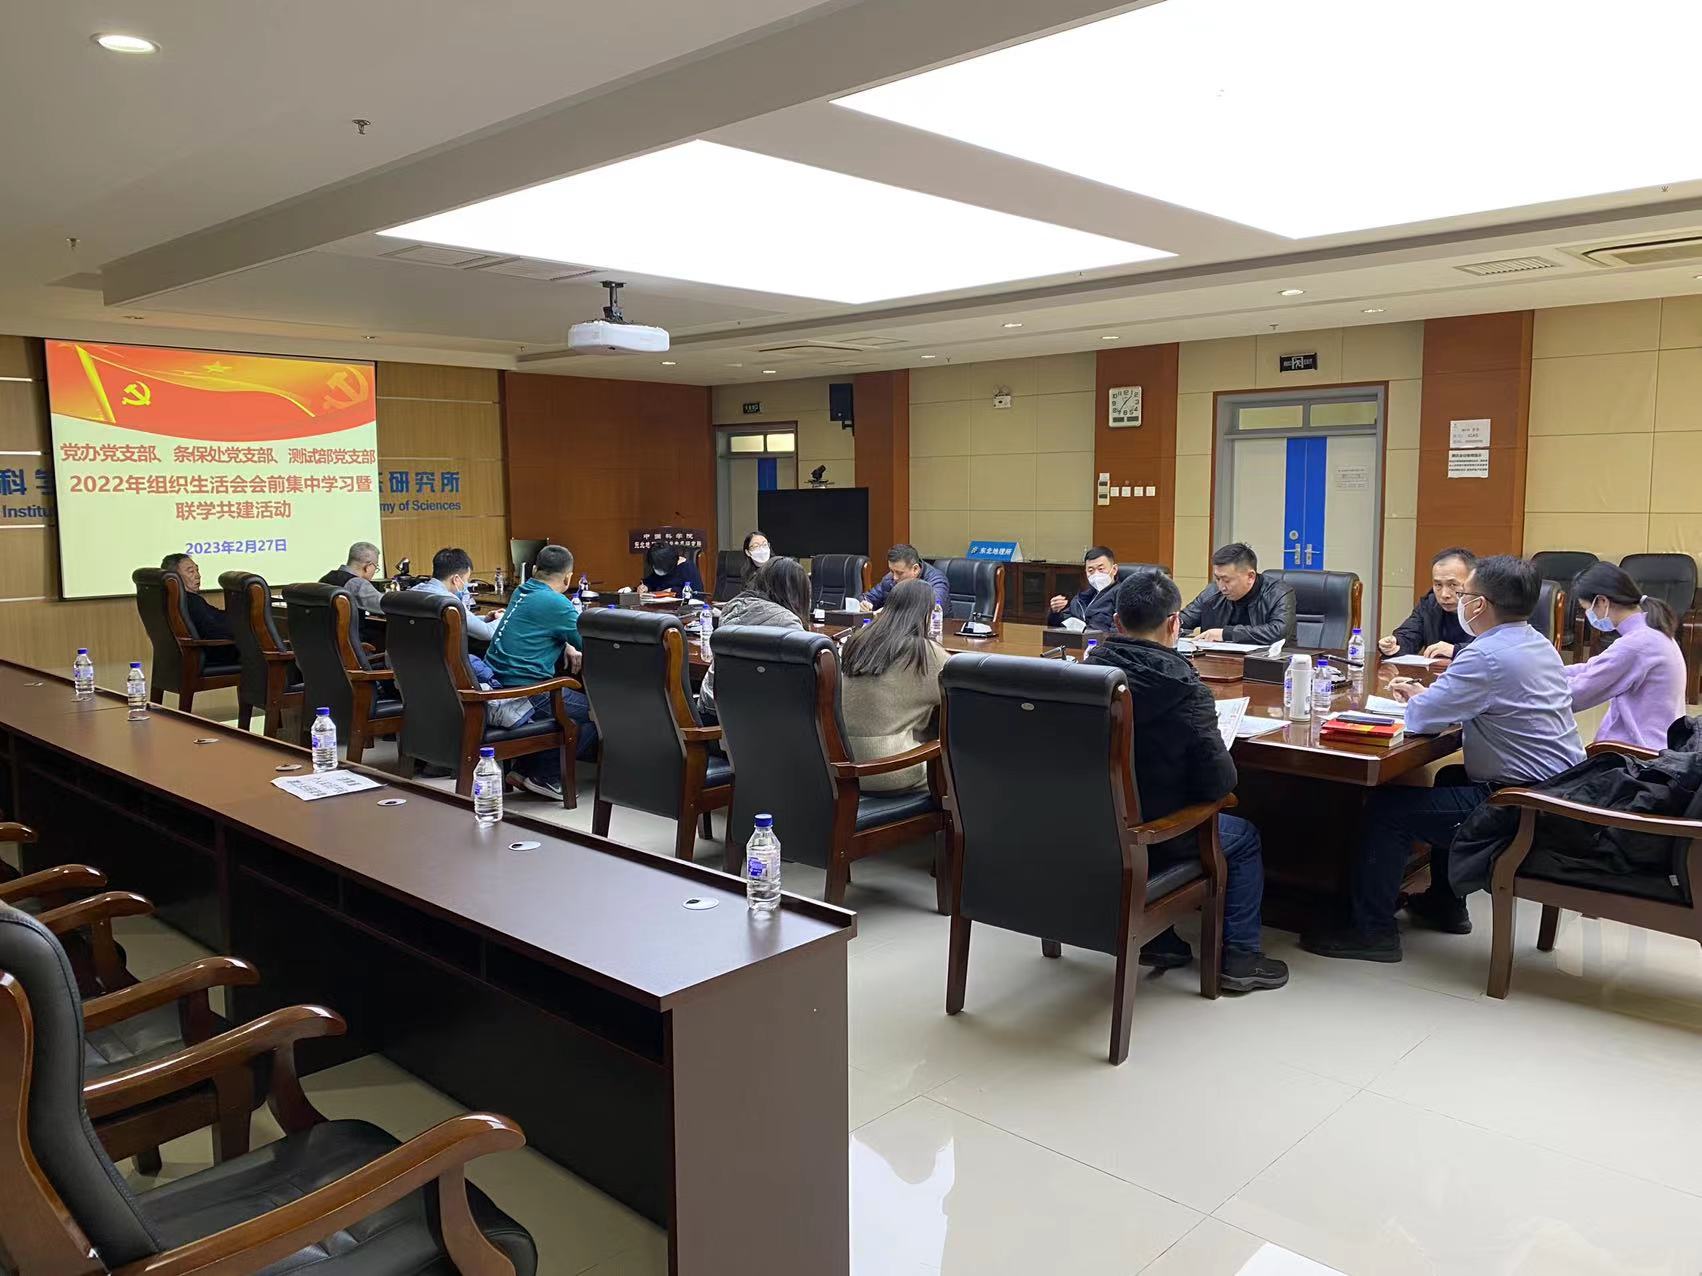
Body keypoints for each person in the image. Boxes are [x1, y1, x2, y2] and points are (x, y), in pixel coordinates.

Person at [1302, 555, 1586, 962]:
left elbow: (1423, 719)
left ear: (1480, 605)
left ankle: (1372, 932)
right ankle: (1445, 903)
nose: (1457, 599)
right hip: (1559, 790)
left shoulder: (1484, 655)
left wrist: (1419, 698)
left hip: (1522, 803)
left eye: (1464, 592)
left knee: (1385, 811)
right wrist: (1431, 697)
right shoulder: (1538, 643)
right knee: (1452, 777)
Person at [1086, 567, 1289, 992]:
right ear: (1175, 623)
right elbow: (1220, 783)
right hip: (1151, 833)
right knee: (1243, 837)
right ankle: (1240, 957)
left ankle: (1161, 940)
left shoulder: (1086, 675)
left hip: (1091, 825)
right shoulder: (1186, 689)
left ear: (1117, 622)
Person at [485, 545, 598, 799]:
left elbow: (543, 627)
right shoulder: (556, 603)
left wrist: (566, 644)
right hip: (526, 692)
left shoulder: (523, 591)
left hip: (497, 685)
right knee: (599, 715)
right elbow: (589, 644)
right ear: (568, 577)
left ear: (535, 570)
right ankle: (544, 776)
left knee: (578, 709)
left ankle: (523, 770)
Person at [839, 578, 950, 793]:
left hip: (846, 766)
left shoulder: (857, 640)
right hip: (889, 771)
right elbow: (958, 695)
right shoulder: (922, 654)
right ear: (926, 615)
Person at [1563, 561, 1686, 752]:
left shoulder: (1636, 645)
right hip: (1659, 746)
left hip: (1639, 755)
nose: (1588, 615)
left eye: (1586, 608)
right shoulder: (1651, 631)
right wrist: (1548, 672)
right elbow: (1593, 668)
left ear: (1602, 602)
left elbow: (1576, 695)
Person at [697, 556, 811, 722]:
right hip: (750, 722)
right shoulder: (787, 622)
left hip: (714, 709)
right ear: (796, 592)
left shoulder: (733, 607)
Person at [409, 548, 502, 685]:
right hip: (446, 674)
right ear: (456, 579)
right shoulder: (448, 602)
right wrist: (502, 619)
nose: (466, 585)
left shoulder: (413, 592)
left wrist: (486, 619)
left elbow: (456, 620)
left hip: (415, 671)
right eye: (466, 580)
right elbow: (487, 633)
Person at [1177, 543, 1295, 645]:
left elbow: (1279, 632)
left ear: (1250, 576)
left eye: (1226, 580)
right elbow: (1183, 621)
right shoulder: (1212, 593)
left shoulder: (1278, 593)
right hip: (1217, 660)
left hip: (1264, 660)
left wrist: (1226, 634)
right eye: (1217, 579)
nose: (1221, 587)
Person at [1379, 547, 1475, 660]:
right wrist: (1395, 644)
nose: (1444, 594)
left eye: (1452, 585)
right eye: (1438, 585)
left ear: (1472, 581)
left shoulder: (1487, 608)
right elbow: (1410, 634)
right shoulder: (1429, 604)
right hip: (1435, 670)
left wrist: (1455, 650)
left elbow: (1491, 649)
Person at [158, 553, 239, 662]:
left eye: (197, 570)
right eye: (191, 571)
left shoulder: (175, 599)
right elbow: (215, 630)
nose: (198, 575)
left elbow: (215, 616)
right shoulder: (191, 602)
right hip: (214, 655)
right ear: (175, 578)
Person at [1047, 546, 1121, 631]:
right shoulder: (1082, 597)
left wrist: (1087, 632)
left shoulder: (1121, 595)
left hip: (1099, 639)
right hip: (1074, 638)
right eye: (1091, 570)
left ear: (1114, 569)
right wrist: (1055, 612)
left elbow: (1119, 631)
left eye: (1100, 569)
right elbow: (1059, 626)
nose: (1096, 574)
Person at [860, 544, 950, 612]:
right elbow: (868, 597)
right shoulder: (889, 579)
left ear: (915, 569)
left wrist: (888, 613)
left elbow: (933, 608)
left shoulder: (936, 580)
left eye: (899, 573)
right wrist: (865, 604)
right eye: (891, 571)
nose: (894, 577)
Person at [319, 541, 385, 614]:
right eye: (376, 566)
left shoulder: (325, 578)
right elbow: (385, 605)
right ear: (368, 566)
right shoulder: (357, 584)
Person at [640, 543, 705, 595]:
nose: (655, 568)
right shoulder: (660, 567)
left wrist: (672, 591)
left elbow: (697, 594)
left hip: (680, 605)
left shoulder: (688, 568)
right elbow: (651, 582)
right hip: (658, 605)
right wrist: (645, 587)